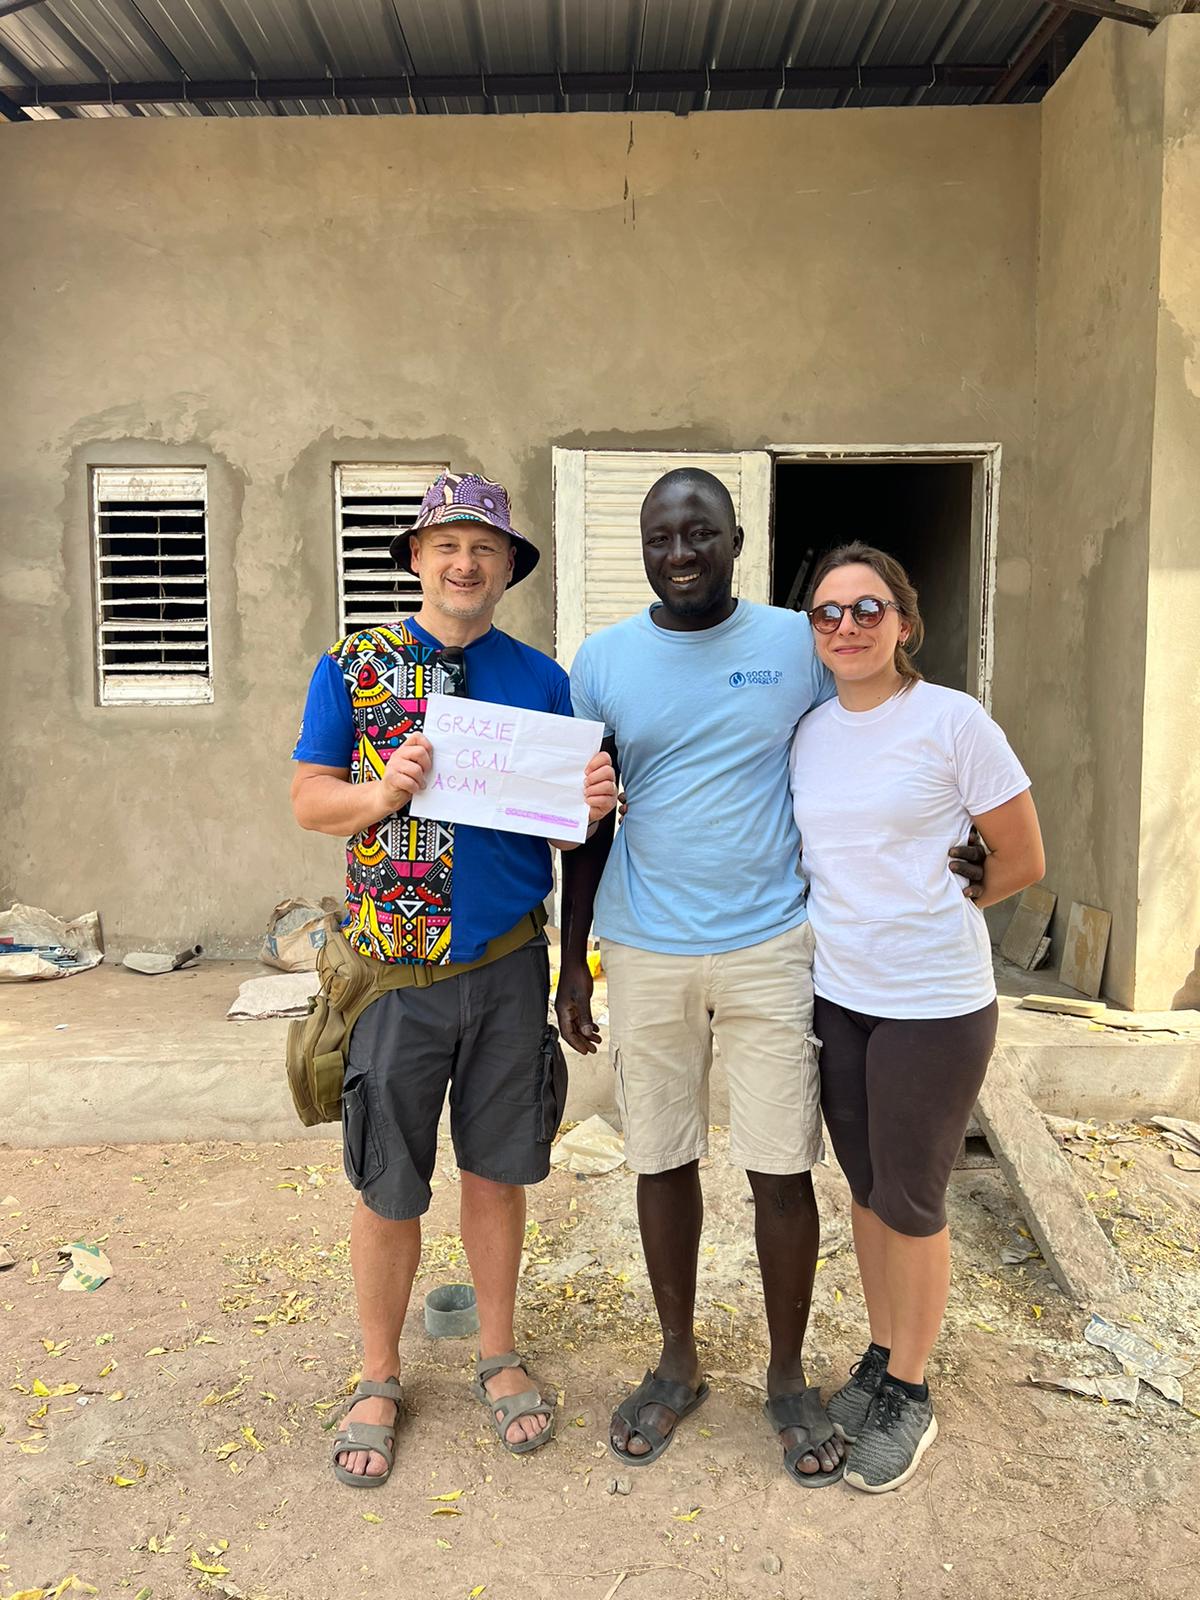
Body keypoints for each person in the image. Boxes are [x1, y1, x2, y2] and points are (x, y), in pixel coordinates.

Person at [557, 469, 983, 1486]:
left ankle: (787, 1378)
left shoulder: (799, 641)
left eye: (700, 533)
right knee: (661, 1157)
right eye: (662, 536)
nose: (680, 553)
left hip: (773, 945)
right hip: (647, 946)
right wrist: (571, 959)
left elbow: (884, 722)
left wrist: (961, 828)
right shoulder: (602, 661)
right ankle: (676, 1361)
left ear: (737, 540)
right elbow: (590, 815)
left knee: (781, 1168)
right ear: (644, 547)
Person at [291, 470, 617, 1487]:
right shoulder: (354, 667)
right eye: (447, 546)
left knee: (498, 1169)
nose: (465, 563)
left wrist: (589, 804)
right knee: (388, 1179)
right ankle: (379, 1374)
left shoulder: (542, 680)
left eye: (484, 548)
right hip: (392, 974)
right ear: (417, 560)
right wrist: (380, 793)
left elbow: (566, 831)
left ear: (508, 567)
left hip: (507, 962)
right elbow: (309, 800)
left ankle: (498, 1352)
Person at [789, 542, 1044, 1494]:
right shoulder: (811, 731)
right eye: (827, 612)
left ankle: (910, 1388)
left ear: (904, 621)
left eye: (867, 609)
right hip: (839, 994)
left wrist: (943, 911)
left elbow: (1022, 858)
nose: (846, 626)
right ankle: (882, 1347)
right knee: (865, 1187)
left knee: (912, 1198)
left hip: (931, 1003)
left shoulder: (952, 721)